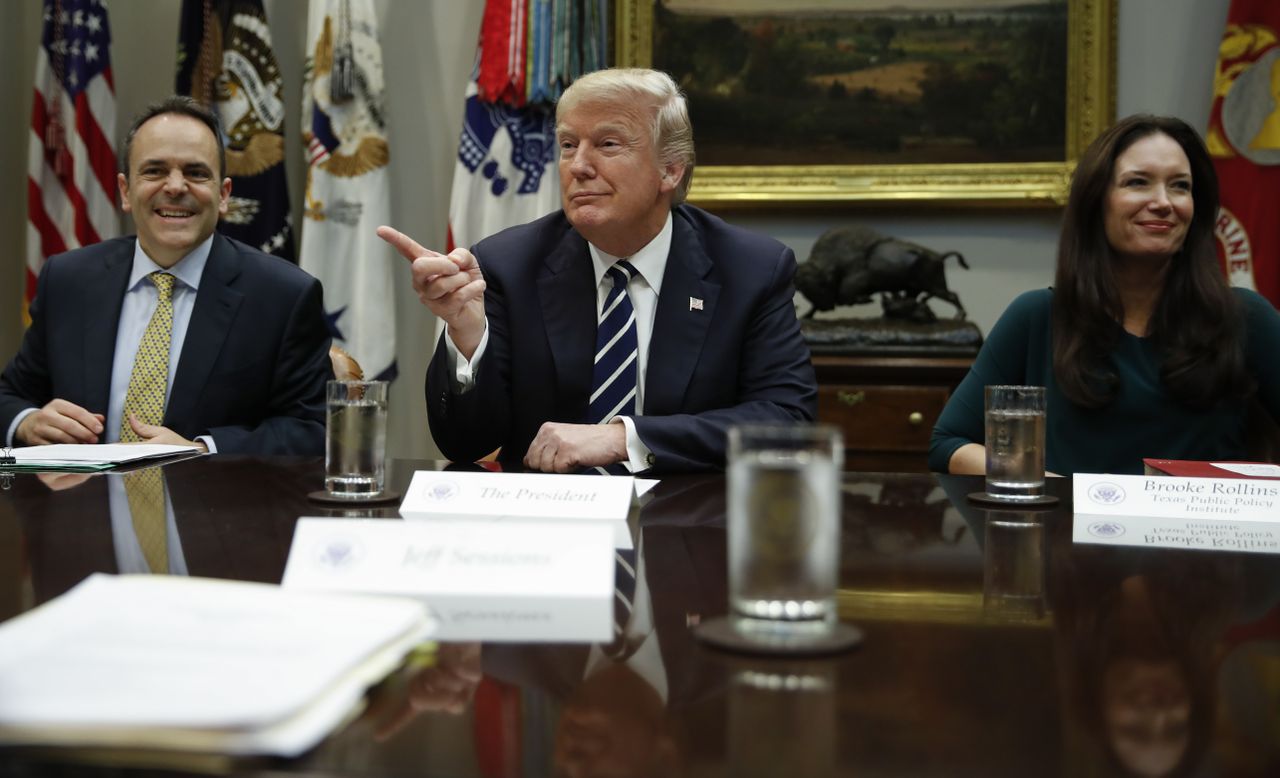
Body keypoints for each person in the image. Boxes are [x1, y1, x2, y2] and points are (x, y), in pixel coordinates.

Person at [379, 68, 815, 473]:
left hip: (688, 526)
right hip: (546, 531)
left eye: (608, 144)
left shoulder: (749, 270)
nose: (579, 166)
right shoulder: (508, 265)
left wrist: (625, 438)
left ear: (670, 169)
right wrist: (468, 337)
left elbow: (785, 423)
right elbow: (464, 445)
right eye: (569, 145)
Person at [930, 114, 1280, 476]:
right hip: (1068, 531)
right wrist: (1047, 483)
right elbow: (948, 443)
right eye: (1138, 182)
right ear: (1096, 201)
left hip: (1205, 533)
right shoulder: (1037, 316)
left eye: (1179, 186)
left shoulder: (1245, 317)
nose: (1163, 202)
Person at [0, 96, 331, 455]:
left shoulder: (283, 296)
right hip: (80, 507)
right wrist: (28, 422)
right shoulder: (68, 280)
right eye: (155, 171)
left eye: (196, 172)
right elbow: (10, 396)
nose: (175, 187)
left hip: (217, 507)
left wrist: (203, 450)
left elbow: (312, 430)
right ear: (126, 192)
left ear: (223, 195)